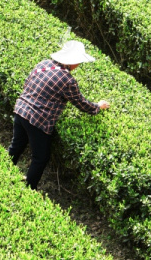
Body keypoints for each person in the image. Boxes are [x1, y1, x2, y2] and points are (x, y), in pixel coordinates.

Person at [9, 41, 110, 189]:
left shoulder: (43, 64)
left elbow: (27, 83)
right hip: (37, 120)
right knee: (40, 158)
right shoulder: (67, 80)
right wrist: (98, 107)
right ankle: (29, 189)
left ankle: (0, 174)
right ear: (72, 62)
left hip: (21, 110)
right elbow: (80, 103)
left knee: (16, 146)